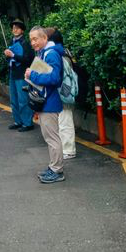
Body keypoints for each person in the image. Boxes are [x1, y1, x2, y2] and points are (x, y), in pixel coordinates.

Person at [25, 26, 65, 184]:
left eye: (35, 39)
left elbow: (54, 78)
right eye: (31, 40)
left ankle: (57, 170)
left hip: (50, 102)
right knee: (50, 137)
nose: (33, 43)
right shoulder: (45, 53)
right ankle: (54, 167)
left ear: (44, 38)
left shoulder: (51, 54)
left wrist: (32, 75)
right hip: (47, 102)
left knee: (52, 138)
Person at [49, 29, 76, 160]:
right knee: (63, 121)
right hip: (64, 90)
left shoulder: (60, 55)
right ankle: (66, 148)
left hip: (64, 91)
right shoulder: (64, 52)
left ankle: (69, 150)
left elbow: (62, 76)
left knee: (65, 121)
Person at [4, 19, 35, 131]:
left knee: (23, 99)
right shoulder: (11, 42)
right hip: (13, 73)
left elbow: (28, 59)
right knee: (14, 99)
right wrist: (7, 55)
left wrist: (13, 55)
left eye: (17, 28)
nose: (15, 30)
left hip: (22, 74)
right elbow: (9, 59)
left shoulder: (25, 43)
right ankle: (18, 121)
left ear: (22, 30)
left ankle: (27, 123)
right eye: (13, 28)